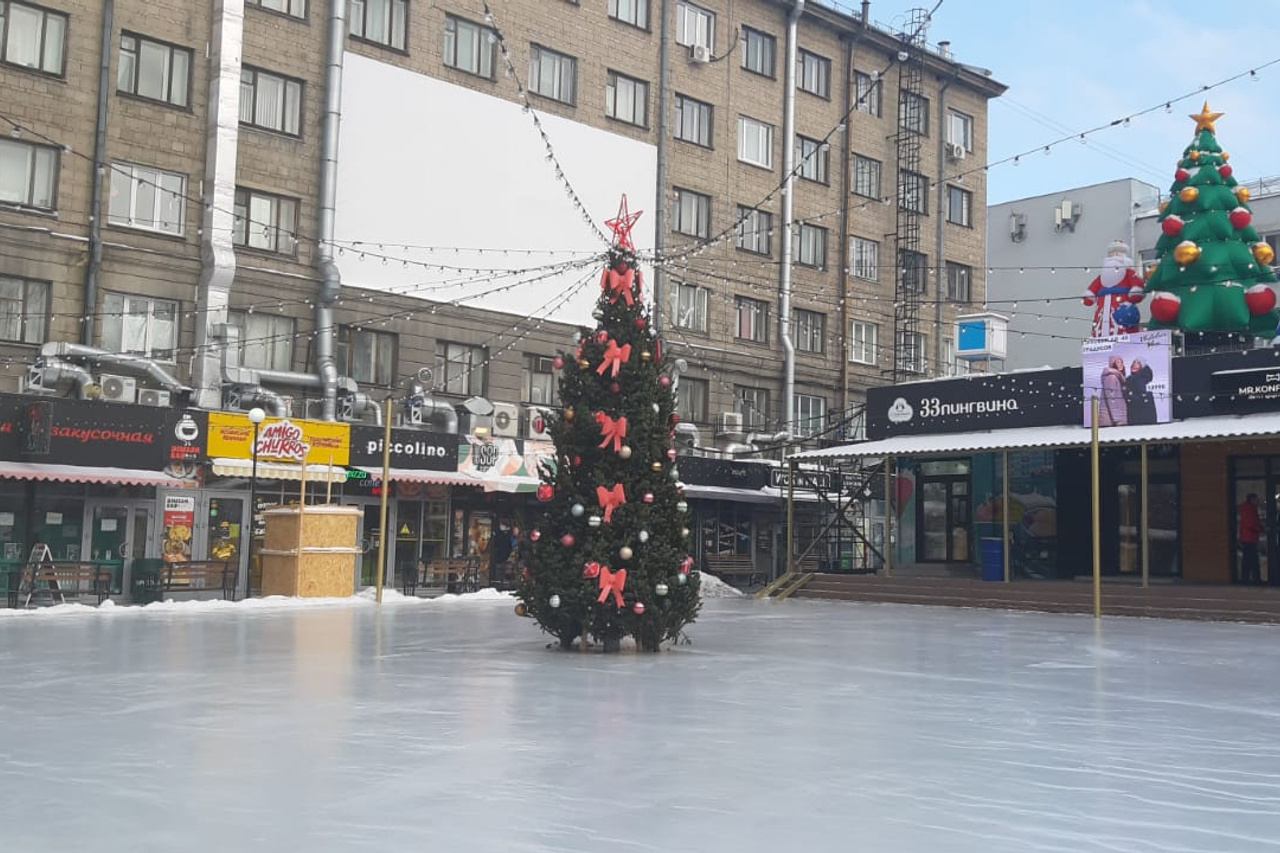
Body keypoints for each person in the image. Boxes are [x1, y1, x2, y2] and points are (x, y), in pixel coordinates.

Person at [1238, 493, 1263, 585]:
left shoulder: (1246, 508)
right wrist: (1261, 529)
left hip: (1247, 538)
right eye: (1256, 499)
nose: (1257, 501)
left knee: (1248, 559)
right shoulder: (1250, 509)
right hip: (1250, 538)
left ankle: (1247, 578)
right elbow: (1251, 524)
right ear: (1252, 499)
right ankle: (1254, 579)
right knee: (1252, 560)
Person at [1124, 358, 1158, 425]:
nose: (1134, 365)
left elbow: (1141, 396)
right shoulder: (1133, 379)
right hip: (1141, 415)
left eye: (1138, 363)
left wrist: (1129, 396)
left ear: (1142, 366)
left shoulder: (1138, 379)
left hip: (1140, 415)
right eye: (1133, 363)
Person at [1098, 356, 1128, 426]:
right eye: (1117, 362)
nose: (1120, 364)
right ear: (1113, 364)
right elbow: (1112, 400)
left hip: (1112, 421)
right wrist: (1118, 420)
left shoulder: (1118, 378)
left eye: (1121, 362)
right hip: (1110, 421)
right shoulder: (1111, 377)